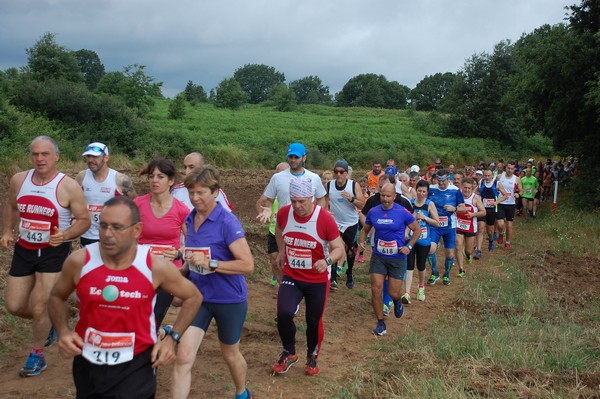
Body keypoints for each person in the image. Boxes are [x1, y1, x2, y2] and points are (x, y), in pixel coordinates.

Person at [47, 196, 202, 398]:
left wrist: (172, 339)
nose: (107, 234)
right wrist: (63, 332)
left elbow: (193, 297)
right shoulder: (79, 261)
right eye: (103, 226)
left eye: (117, 227)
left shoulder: (153, 266)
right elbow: (56, 297)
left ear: (136, 230)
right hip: (88, 362)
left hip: (136, 365)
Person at [1, 136, 91, 377]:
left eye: (45, 154)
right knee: (14, 305)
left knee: (40, 304)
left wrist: (65, 235)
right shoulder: (19, 180)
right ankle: (49, 322)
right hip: (24, 249)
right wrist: (7, 231)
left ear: (56, 157)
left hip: (53, 252)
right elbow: (11, 206)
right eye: (35, 154)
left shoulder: (68, 186)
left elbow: (85, 220)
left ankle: (37, 355)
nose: (40, 159)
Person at [173, 165, 254, 399]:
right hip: (198, 298)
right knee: (184, 355)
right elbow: (192, 260)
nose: (195, 198)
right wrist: (175, 277)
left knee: (230, 354)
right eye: (191, 192)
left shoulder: (227, 222)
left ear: (215, 191)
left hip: (229, 299)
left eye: (201, 193)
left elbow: (247, 265)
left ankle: (241, 392)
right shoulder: (190, 220)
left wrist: (213, 264)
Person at [271, 176, 345, 376]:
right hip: (293, 276)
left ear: (312, 198)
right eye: (294, 201)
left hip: (317, 280)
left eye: (302, 201)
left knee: (313, 320)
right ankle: (289, 352)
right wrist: (282, 251)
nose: (297, 206)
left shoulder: (324, 218)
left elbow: (339, 248)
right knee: (284, 313)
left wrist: (327, 261)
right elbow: (279, 229)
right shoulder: (285, 213)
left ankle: (312, 355)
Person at [134, 158, 190, 327]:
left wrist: (179, 252)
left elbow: (192, 242)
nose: (154, 181)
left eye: (160, 177)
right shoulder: (137, 205)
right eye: (151, 176)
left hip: (168, 271)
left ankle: (158, 336)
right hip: (141, 269)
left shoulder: (181, 209)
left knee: (154, 318)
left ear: (171, 181)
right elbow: (126, 236)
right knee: (137, 316)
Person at [359, 183, 420, 336]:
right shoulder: (373, 212)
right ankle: (380, 322)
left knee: (393, 293)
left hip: (397, 258)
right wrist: (361, 241)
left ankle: (397, 300)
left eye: (388, 196)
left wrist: (410, 246)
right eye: (382, 195)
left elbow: (417, 230)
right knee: (376, 289)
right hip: (378, 256)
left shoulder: (402, 212)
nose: (385, 199)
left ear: (394, 196)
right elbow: (365, 230)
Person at [76, 142, 137, 247]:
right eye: (88, 157)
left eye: (95, 157)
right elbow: (74, 202)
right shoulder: (82, 177)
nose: (90, 160)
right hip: (87, 235)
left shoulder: (120, 179)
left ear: (106, 158)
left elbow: (135, 203)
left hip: (112, 236)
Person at [256, 142, 327, 224]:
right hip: (284, 224)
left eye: (296, 157)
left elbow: (321, 198)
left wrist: (318, 213)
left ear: (304, 158)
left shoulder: (314, 177)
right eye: (290, 157)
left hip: (307, 225)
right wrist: (269, 208)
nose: (293, 160)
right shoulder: (277, 177)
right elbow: (269, 200)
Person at [326, 160, 364, 289]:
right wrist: (325, 211)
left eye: (341, 172)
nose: (339, 174)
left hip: (351, 222)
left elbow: (362, 204)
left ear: (346, 173)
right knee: (335, 247)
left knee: (350, 250)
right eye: (336, 171)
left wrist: (351, 199)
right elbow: (324, 200)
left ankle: (349, 274)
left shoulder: (353, 185)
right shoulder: (330, 185)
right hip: (335, 222)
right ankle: (333, 278)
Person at [427, 169, 466, 286]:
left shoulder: (455, 191)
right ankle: (434, 272)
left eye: (443, 180)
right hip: (434, 225)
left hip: (449, 226)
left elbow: (463, 208)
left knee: (449, 253)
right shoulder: (432, 189)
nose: (441, 183)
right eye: (439, 180)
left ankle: (447, 274)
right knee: (430, 249)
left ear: (448, 179)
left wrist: (454, 209)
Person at [259, 162, 290, 297]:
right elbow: (260, 202)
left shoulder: (295, 186)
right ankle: (283, 286)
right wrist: (265, 212)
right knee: (273, 258)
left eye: (282, 172)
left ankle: (292, 287)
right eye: (276, 173)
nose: (279, 175)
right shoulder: (271, 187)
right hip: (274, 229)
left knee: (289, 261)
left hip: (290, 230)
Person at [407, 180, 439, 302]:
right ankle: (407, 292)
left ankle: (421, 287)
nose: (421, 194)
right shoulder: (410, 203)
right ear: (416, 190)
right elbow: (406, 220)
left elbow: (437, 222)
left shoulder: (429, 204)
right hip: (411, 239)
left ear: (427, 192)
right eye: (419, 191)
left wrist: (424, 217)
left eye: (424, 191)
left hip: (424, 240)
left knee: (420, 265)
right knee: (409, 265)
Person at [455, 178, 486, 277]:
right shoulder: (456, 195)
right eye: (465, 188)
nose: (467, 190)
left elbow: (483, 212)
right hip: (458, 225)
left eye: (469, 188)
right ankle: (461, 269)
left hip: (471, 227)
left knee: (469, 250)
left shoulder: (475, 198)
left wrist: (473, 214)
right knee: (458, 246)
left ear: (472, 188)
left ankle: (468, 255)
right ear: (461, 187)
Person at [476, 169, 508, 257]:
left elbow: (505, 195)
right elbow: (476, 192)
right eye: (485, 175)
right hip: (482, 209)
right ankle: (478, 250)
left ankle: (490, 241)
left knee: (489, 231)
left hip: (492, 209)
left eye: (488, 176)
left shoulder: (496, 183)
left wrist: (496, 202)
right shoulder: (481, 182)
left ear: (492, 175)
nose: (486, 177)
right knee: (480, 228)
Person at [496, 161, 522, 251]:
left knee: (509, 225)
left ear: (514, 169)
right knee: (500, 224)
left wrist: (518, 194)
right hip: (501, 203)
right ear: (505, 168)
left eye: (512, 169)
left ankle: (507, 242)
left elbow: (521, 190)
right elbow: (494, 186)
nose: (510, 170)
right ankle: (501, 232)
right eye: (508, 168)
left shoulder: (517, 179)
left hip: (511, 204)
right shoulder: (499, 176)